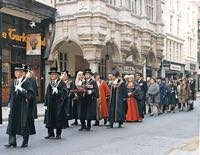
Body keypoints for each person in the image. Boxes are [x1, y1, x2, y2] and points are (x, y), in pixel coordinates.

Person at [5, 64, 35, 148]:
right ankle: (12, 142)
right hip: (14, 106)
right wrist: (9, 105)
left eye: (18, 71)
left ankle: (25, 141)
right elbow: (11, 95)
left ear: (22, 72)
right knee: (12, 123)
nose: (16, 73)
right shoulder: (14, 82)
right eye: (15, 71)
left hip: (23, 106)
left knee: (24, 123)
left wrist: (22, 90)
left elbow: (31, 94)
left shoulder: (27, 81)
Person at [44, 67, 68, 139]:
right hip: (50, 104)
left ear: (58, 75)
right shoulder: (50, 84)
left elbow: (65, 93)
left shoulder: (61, 83)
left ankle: (58, 133)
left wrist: (58, 91)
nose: (52, 75)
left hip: (58, 104)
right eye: (51, 74)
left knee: (58, 119)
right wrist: (45, 104)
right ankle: (50, 133)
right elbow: (47, 95)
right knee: (49, 118)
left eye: (54, 74)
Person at [24, 66, 38, 135]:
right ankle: (31, 130)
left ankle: (30, 130)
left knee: (28, 117)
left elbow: (32, 92)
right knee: (29, 117)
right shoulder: (31, 80)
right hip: (30, 100)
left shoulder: (30, 80)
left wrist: (28, 98)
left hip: (29, 101)